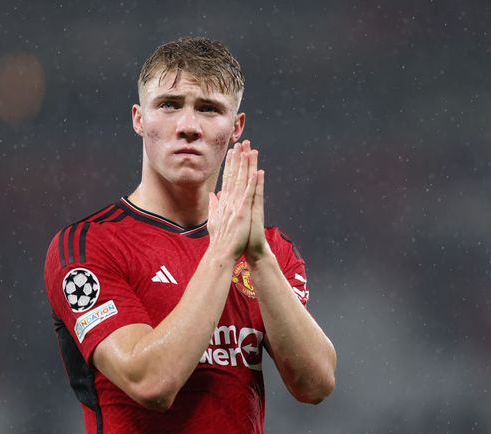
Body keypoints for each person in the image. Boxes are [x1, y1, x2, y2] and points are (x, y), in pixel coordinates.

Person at [43, 37, 336, 434]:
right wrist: (222, 254)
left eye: (208, 109)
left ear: (236, 127)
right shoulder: (89, 245)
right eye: (168, 104)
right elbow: (151, 383)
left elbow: (315, 385)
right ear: (138, 119)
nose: (188, 127)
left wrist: (260, 257)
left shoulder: (268, 250)